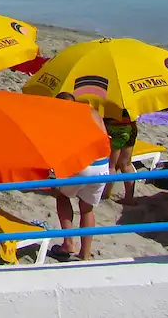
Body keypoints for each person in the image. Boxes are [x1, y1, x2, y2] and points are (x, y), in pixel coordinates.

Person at [50, 93, 109, 262]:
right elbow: (105, 139)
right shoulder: (92, 112)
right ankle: (85, 254)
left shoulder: (63, 117)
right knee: (87, 209)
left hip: (84, 164)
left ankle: (68, 244)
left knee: (61, 196)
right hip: (102, 165)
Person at [102, 109, 138, 205]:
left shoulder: (110, 99)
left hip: (115, 128)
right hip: (131, 126)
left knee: (111, 166)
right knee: (126, 164)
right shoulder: (129, 98)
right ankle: (129, 198)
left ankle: (105, 195)